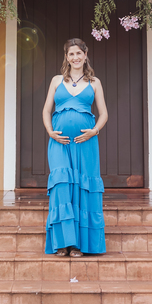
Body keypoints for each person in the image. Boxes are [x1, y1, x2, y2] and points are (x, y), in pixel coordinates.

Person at [42, 38, 108, 257]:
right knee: (62, 187)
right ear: (66, 57)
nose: (75, 57)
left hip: (85, 144)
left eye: (79, 53)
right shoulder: (56, 80)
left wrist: (94, 131)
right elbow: (46, 110)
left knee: (81, 188)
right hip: (59, 143)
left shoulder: (95, 82)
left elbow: (104, 114)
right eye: (71, 54)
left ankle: (78, 244)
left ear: (85, 55)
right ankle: (62, 243)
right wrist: (50, 131)